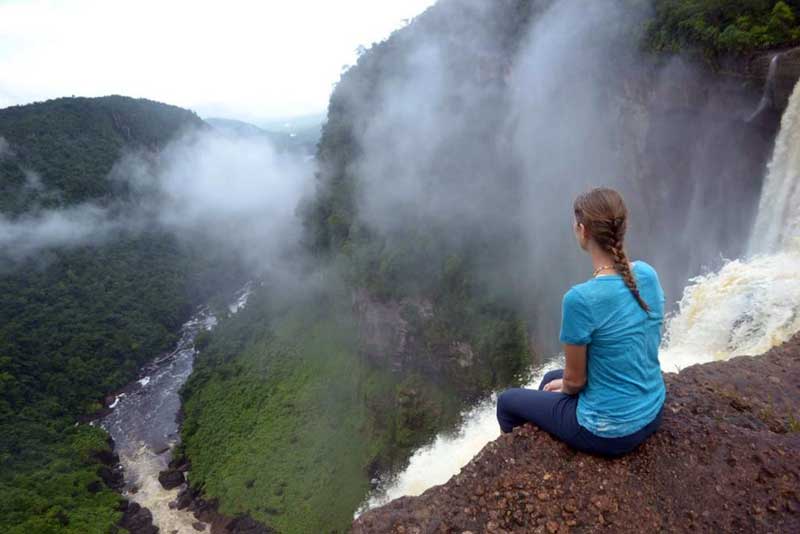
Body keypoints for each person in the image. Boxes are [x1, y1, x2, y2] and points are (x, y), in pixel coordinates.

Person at [496, 187, 666, 456]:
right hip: (652, 410)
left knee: (507, 402)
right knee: (550, 378)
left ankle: (519, 461)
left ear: (582, 230)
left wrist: (566, 386)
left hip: (609, 431)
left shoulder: (580, 299)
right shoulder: (647, 274)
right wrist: (564, 384)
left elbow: (575, 382)